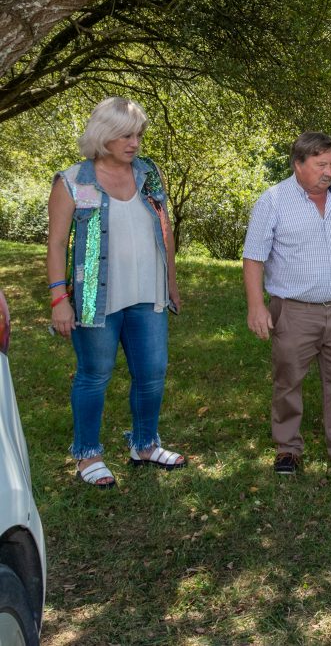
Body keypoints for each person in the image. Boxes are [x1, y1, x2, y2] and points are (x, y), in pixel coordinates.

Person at [47, 97, 186, 489]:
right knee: (94, 375)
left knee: (152, 374)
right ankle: (87, 454)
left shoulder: (149, 174)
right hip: (95, 299)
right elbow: (56, 245)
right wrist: (60, 299)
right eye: (126, 134)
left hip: (149, 294)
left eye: (138, 134)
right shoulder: (72, 180)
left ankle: (144, 445)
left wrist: (171, 282)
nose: (135, 142)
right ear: (103, 135)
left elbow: (165, 230)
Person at [242, 132, 331, 476]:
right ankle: (288, 448)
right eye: (321, 165)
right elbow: (253, 258)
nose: (329, 172)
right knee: (288, 380)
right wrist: (256, 306)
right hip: (294, 311)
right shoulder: (273, 201)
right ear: (298, 164)